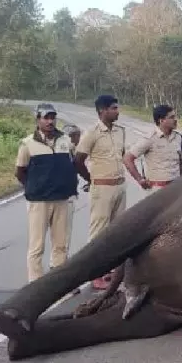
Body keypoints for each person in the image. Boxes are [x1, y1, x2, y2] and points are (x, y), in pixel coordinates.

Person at [14, 104, 79, 282]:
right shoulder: (27, 144)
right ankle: (35, 284)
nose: (50, 121)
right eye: (46, 118)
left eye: (52, 117)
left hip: (62, 200)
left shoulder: (65, 140)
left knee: (61, 245)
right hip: (39, 201)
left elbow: (72, 165)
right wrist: (34, 187)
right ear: (38, 119)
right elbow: (20, 172)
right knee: (37, 246)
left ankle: (57, 284)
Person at [73, 94, 127, 289]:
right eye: (113, 108)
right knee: (98, 232)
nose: (117, 111)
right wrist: (91, 180)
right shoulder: (92, 133)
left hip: (120, 185)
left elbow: (120, 156)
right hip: (102, 187)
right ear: (102, 111)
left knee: (117, 230)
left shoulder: (120, 131)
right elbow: (78, 160)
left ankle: (111, 269)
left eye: (117, 108)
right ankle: (94, 274)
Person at [123, 104, 182, 193]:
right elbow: (127, 158)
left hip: (176, 189)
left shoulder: (179, 138)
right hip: (158, 190)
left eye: (175, 116)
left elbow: (181, 162)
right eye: (171, 117)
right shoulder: (150, 139)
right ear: (161, 120)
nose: (175, 120)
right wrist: (140, 179)